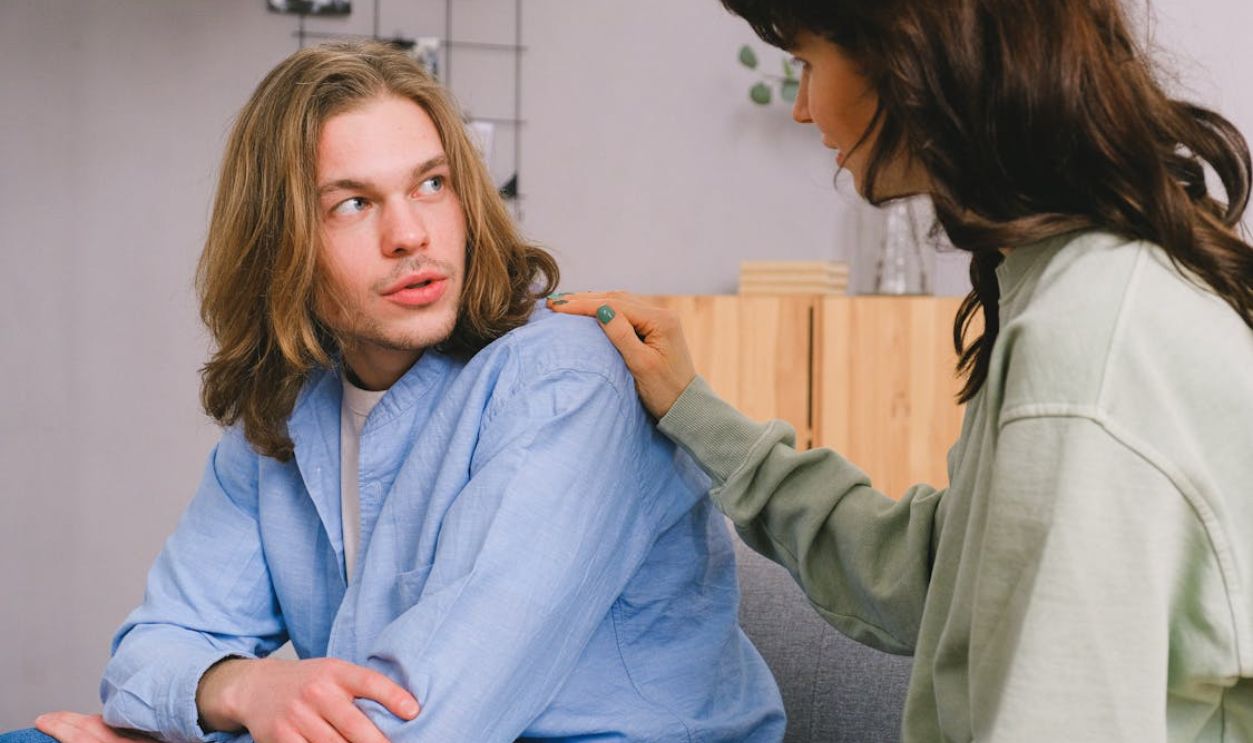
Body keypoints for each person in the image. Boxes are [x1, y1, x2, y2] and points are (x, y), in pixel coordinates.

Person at [11, 40, 784, 743]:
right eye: (352, 203)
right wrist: (242, 683)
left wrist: (189, 724)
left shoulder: (567, 379)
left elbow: (427, 718)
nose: (409, 234)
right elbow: (147, 655)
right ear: (280, 243)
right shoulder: (282, 417)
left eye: (432, 184)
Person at [548, 0, 1253, 740]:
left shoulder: (1090, 346)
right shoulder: (1077, 289)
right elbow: (933, 577)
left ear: (908, 57)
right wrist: (695, 410)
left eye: (806, 64)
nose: (798, 108)